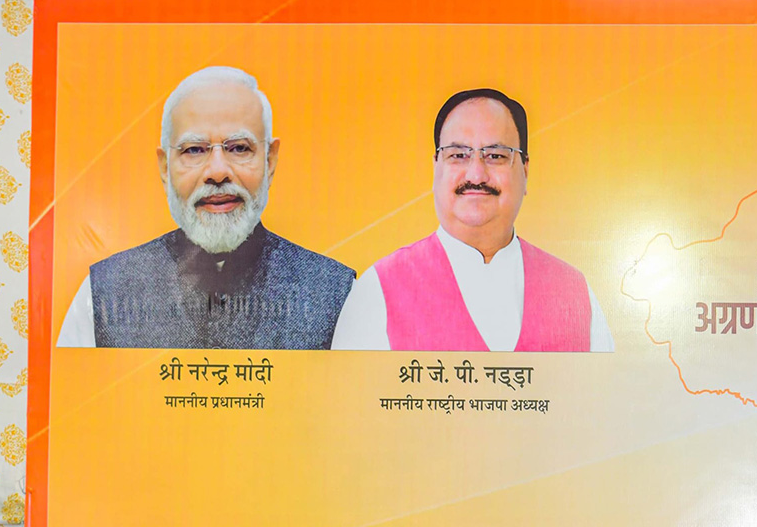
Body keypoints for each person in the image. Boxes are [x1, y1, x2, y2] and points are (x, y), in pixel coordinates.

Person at [57, 66, 353, 349]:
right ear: (165, 167)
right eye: (194, 150)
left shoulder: (337, 295)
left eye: (239, 148)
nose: (217, 171)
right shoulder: (103, 294)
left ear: (270, 161)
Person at [331, 87, 613, 352]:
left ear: (525, 171)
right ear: (436, 168)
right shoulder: (378, 290)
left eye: (495, 155)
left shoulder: (574, 293)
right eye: (458, 155)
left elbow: (606, 400)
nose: (476, 175)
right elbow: (348, 400)